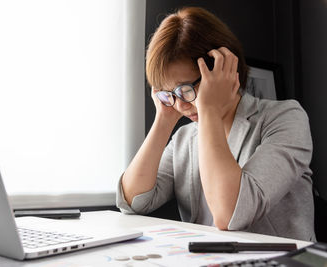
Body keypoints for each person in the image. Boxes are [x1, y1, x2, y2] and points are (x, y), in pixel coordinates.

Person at [116, 6, 316, 241]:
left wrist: (208, 108)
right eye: (169, 93)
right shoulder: (184, 138)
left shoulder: (286, 118)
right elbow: (134, 201)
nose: (180, 105)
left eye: (186, 89)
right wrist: (163, 119)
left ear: (224, 70)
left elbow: (230, 214)